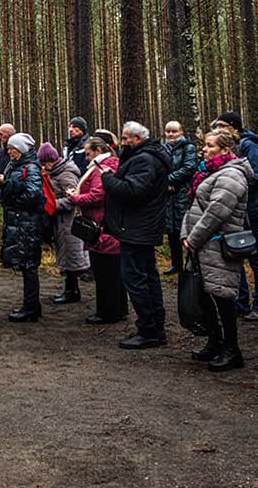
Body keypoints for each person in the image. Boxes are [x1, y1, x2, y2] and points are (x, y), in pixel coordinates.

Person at [181, 128, 253, 372]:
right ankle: (215, 342)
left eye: (210, 146)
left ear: (225, 150)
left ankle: (232, 350)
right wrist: (186, 235)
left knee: (222, 297)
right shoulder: (209, 172)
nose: (204, 149)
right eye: (205, 145)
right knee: (205, 295)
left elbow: (216, 212)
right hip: (202, 245)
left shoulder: (232, 174)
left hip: (218, 245)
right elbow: (194, 206)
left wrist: (194, 238)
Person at [102, 122, 170, 349]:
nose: (122, 143)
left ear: (137, 139)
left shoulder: (144, 160)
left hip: (137, 228)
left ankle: (149, 329)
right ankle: (154, 327)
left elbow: (133, 191)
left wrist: (108, 179)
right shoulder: (147, 157)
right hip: (142, 226)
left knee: (136, 278)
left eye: (125, 139)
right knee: (148, 276)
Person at [67, 136, 128, 324]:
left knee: (106, 273)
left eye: (87, 153)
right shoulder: (109, 164)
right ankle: (118, 309)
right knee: (113, 273)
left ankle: (107, 312)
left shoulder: (102, 168)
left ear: (98, 151)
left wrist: (75, 198)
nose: (85, 158)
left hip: (102, 227)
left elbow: (97, 195)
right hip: (108, 226)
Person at [213, 112, 258, 321]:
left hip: (252, 209)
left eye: (222, 125)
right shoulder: (227, 146)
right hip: (236, 210)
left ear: (234, 126)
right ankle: (240, 303)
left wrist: (232, 184)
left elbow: (255, 176)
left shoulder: (249, 145)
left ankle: (256, 305)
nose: (218, 128)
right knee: (234, 253)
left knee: (254, 258)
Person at [0, 133, 45, 321]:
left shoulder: (30, 167)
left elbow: (33, 194)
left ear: (21, 150)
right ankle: (32, 306)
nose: (9, 152)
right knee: (26, 265)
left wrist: (12, 199)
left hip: (28, 223)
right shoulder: (15, 165)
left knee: (29, 265)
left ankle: (31, 308)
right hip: (20, 221)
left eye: (12, 149)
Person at [37, 142, 89, 302]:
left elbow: (72, 200)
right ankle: (70, 289)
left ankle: (72, 291)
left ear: (50, 160)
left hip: (69, 222)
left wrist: (50, 205)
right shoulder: (56, 173)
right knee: (67, 256)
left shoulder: (66, 174)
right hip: (61, 222)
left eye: (44, 163)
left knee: (71, 256)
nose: (44, 167)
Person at [162, 121, 198, 275]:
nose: (170, 135)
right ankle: (176, 264)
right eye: (168, 131)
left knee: (186, 229)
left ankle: (192, 264)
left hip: (183, 193)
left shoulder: (188, 147)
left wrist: (170, 179)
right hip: (167, 195)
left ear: (181, 132)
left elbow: (189, 167)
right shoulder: (162, 148)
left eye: (174, 131)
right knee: (171, 231)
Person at [0, 123, 16, 261]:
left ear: (9, 135)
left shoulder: (19, 151)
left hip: (16, 195)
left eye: (1, 134)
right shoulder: (1, 153)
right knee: (7, 226)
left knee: (15, 227)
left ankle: (13, 258)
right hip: (5, 194)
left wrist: (7, 180)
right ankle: (6, 258)